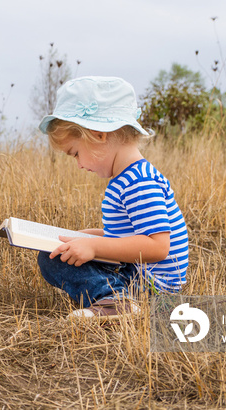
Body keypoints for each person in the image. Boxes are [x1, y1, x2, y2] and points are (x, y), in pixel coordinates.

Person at [37, 76, 189, 320]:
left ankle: (117, 302)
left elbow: (158, 246)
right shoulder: (126, 178)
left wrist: (95, 246)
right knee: (53, 255)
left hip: (150, 286)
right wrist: (87, 236)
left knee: (53, 261)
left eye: (75, 153)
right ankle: (112, 298)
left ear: (98, 136)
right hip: (136, 271)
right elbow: (129, 237)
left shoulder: (139, 182)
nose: (78, 165)